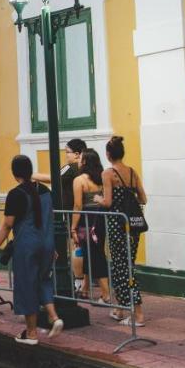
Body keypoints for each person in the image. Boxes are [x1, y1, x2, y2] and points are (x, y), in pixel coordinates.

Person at [0, 155, 63, 343]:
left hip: (27, 245)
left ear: (14, 173)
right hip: (46, 243)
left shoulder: (16, 194)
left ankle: (31, 333)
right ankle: (54, 317)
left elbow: (7, 225)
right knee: (43, 280)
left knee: (26, 286)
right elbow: (50, 218)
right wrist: (51, 245)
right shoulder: (45, 190)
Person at [101, 135, 147, 326]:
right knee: (124, 265)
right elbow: (143, 199)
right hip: (132, 227)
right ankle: (120, 309)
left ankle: (138, 314)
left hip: (116, 225)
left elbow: (108, 202)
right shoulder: (132, 172)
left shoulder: (108, 174)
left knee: (123, 268)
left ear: (108, 154)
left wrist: (98, 200)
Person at [33, 138, 86, 288]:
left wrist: (32, 174)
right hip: (85, 212)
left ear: (77, 154)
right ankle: (84, 282)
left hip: (72, 212)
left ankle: (78, 281)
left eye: (67, 152)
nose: (66, 156)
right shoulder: (85, 168)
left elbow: (53, 178)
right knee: (82, 246)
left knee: (76, 246)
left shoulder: (71, 168)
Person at [68, 149, 110, 302]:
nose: (78, 161)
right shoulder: (102, 177)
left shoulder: (79, 180)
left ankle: (106, 294)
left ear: (84, 162)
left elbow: (78, 205)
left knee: (95, 255)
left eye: (81, 159)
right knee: (92, 252)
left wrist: (73, 227)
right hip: (100, 220)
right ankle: (85, 289)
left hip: (86, 221)